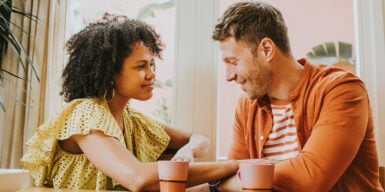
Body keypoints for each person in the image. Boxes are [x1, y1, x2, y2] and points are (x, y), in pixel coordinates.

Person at [20, 13, 238, 191]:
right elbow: (138, 178)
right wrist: (234, 165)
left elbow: (199, 139)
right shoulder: (86, 114)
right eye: (141, 66)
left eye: (152, 64)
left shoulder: (132, 120)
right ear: (111, 72)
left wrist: (188, 150)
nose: (151, 74)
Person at [210, 1, 384, 192]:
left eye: (233, 62)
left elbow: (309, 179)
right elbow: (229, 177)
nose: (228, 76)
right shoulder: (247, 104)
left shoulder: (341, 89)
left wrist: (232, 180)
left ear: (267, 49)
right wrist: (225, 182)